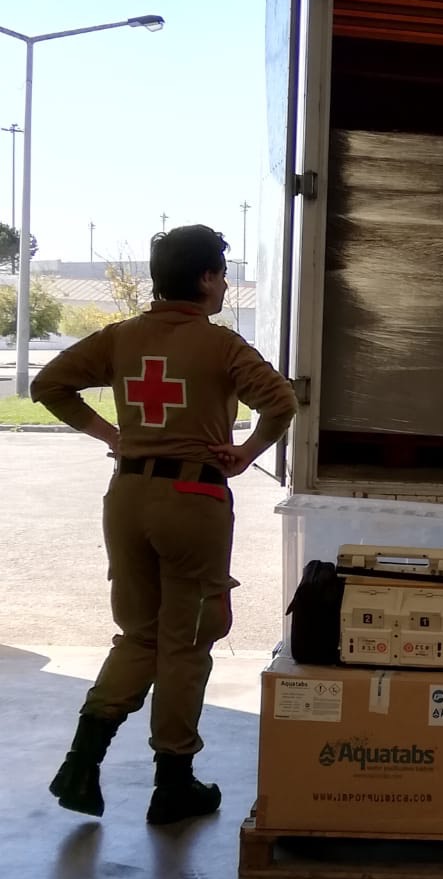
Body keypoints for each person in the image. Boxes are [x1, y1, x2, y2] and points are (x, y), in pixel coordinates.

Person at [31, 224, 297, 824]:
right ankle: (173, 782)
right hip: (192, 499)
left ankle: (81, 763)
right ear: (205, 278)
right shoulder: (222, 345)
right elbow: (280, 401)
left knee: (138, 635)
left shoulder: (119, 337)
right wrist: (247, 452)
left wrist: (112, 435)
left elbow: (49, 384)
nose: (224, 285)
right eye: (222, 274)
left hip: (127, 496)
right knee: (186, 642)